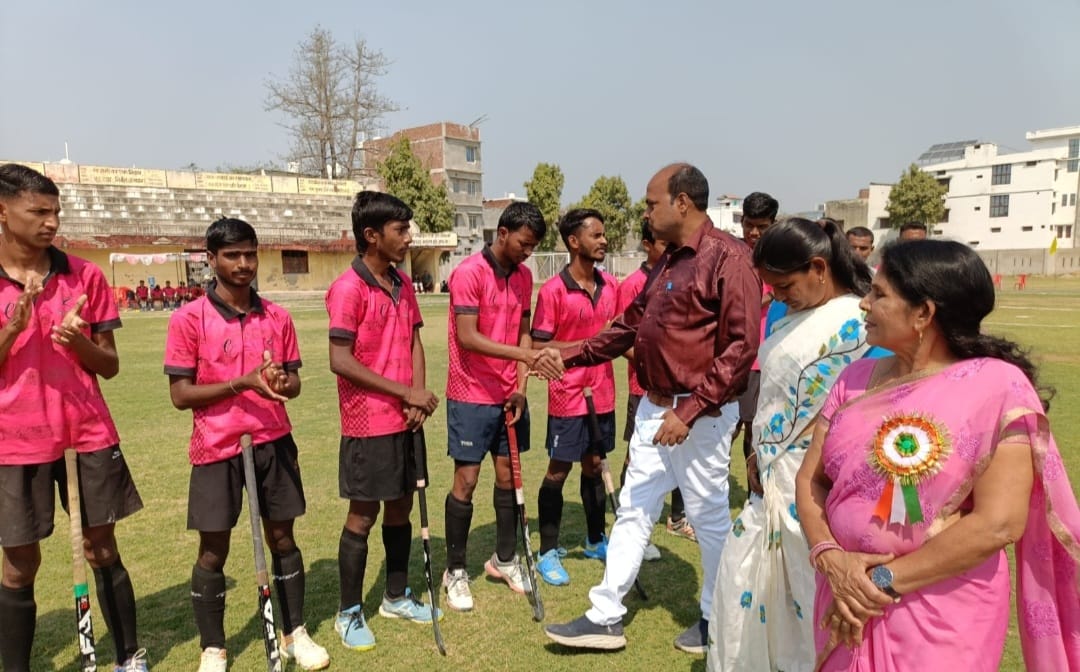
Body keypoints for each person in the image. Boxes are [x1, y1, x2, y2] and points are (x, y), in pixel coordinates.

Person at [796, 240, 1080, 671]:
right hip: (843, 595)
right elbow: (810, 479)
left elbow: (998, 523)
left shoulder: (997, 388)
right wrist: (830, 559)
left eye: (879, 294)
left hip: (938, 612)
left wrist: (879, 582)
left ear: (923, 313)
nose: (864, 304)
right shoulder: (853, 379)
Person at [542, 163, 761, 652]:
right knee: (634, 509)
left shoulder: (729, 258)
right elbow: (629, 326)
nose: (646, 212)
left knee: (707, 518)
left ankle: (717, 618)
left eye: (650, 203)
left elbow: (741, 348)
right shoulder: (668, 262)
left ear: (681, 202)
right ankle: (605, 616)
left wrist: (690, 411)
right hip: (654, 408)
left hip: (698, 416)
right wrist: (567, 354)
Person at [0, 164, 149, 672]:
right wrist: (14, 326)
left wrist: (77, 342)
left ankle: (128, 656)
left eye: (56, 212)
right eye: (38, 211)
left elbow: (110, 365)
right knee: (20, 563)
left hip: (86, 434)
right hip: (15, 441)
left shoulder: (85, 276)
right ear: (3, 212)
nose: (51, 222)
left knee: (100, 546)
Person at [164, 218, 329, 672]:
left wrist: (281, 382)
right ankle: (213, 647)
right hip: (216, 446)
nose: (243, 264)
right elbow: (180, 395)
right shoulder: (188, 319)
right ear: (211, 258)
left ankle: (295, 633)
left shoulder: (278, 317)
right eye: (232, 255)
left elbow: (293, 382)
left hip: (273, 441)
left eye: (250, 254)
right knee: (213, 549)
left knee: (283, 537)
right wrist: (242, 383)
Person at [708, 218, 872, 672]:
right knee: (743, 580)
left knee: (807, 592)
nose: (777, 297)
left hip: (820, 483)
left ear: (818, 268)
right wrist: (756, 451)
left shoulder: (863, 322)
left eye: (784, 285)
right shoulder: (784, 314)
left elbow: (865, 404)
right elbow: (773, 391)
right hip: (770, 478)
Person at [326, 192, 442, 651]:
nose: (408, 237)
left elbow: (414, 341)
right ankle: (348, 612)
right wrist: (404, 392)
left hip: (405, 420)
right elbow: (339, 359)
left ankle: (395, 596)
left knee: (401, 507)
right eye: (400, 229)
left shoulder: (403, 283)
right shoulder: (348, 288)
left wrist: (417, 397)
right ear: (372, 235)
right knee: (363, 514)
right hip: (367, 423)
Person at [441, 202, 550, 612]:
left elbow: (524, 333)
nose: (528, 252)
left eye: (534, 246)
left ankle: (504, 560)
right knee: (466, 480)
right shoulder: (468, 273)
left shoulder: (524, 275)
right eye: (524, 243)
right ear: (502, 233)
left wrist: (521, 386)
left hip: (509, 394)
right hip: (470, 393)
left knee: (509, 476)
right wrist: (526, 357)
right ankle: (455, 571)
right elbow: (467, 337)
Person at [531, 209, 619, 586]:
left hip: (604, 393)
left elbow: (619, 336)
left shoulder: (611, 285)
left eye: (603, 234)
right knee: (559, 469)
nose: (603, 241)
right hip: (567, 395)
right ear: (573, 241)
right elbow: (538, 347)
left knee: (595, 465)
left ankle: (595, 540)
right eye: (595, 235)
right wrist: (590, 343)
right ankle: (547, 552)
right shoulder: (553, 291)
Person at [616, 220, 671, 561]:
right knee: (637, 459)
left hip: (672, 391)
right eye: (664, 244)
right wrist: (653, 365)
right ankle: (630, 525)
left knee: (664, 462)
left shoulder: (676, 277)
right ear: (648, 245)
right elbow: (620, 337)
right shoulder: (634, 284)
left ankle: (648, 526)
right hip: (644, 388)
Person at [734, 191, 778, 494]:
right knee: (725, 428)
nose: (754, 232)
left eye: (761, 226)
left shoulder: (781, 259)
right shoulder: (733, 256)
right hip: (736, 358)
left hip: (767, 360)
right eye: (749, 225)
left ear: (773, 223)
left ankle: (755, 494)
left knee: (757, 430)